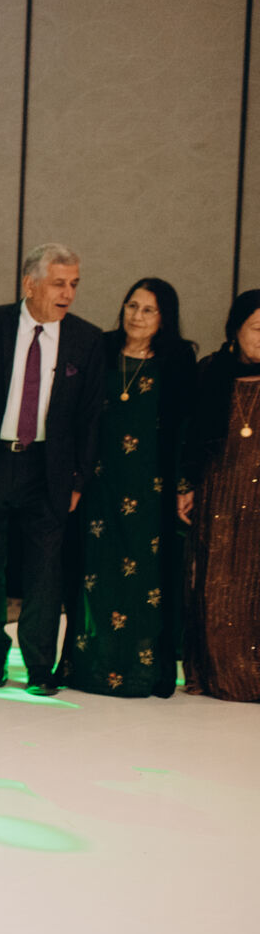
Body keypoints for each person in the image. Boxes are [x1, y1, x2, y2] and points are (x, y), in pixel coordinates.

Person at [0, 242, 106, 695]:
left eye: (74, 284)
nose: (68, 294)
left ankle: (40, 666)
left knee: (45, 572)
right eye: (58, 284)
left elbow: (91, 418)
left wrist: (79, 479)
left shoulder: (86, 339)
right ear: (30, 284)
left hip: (48, 470)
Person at [61, 279, 195, 697]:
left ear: (164, 318)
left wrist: (184, 483)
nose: (137, 316)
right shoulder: (99, 349)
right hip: (99, 481)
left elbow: (186, 427)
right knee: (95, 572)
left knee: (143, 577)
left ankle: (139, 671)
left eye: (148, 310)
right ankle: (90, 667)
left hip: (150, 485)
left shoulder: (177, 360)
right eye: (132, 306)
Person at [181, 289, 260, 701]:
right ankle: (215, 672)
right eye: (258, 328)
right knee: (216, 582)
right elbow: (190, 433)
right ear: (236, 329)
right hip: (219, 490)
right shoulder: (212, 371)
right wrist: (186, 485)